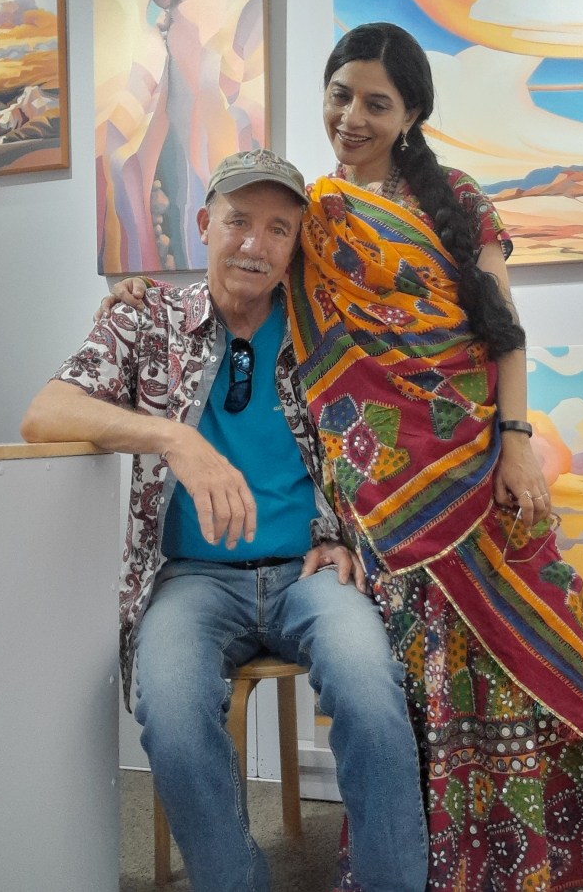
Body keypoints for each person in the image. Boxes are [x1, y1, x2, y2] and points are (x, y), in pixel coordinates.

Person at [105, 26, 583, 891]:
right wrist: (140, 293)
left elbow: (504, 331)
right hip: (381, 504)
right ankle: (452, 862)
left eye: (376, 102)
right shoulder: (316, 217)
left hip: (480, 477)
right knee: (422, 692)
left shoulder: (457, 200)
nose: (352, 116)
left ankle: (568, 854)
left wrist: (517, 441)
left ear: (412, 112)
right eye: (339, 94)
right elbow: (245, 276)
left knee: (541, 660)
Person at [21, 148, 429, 892]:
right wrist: (175, 439)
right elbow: (46, 412)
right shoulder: (147, 318)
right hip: (194, 578)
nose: (254, 244)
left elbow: (381, 440)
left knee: (373, 690)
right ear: (205, 223)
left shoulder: (323, 329)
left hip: (311, 571)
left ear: (294, 245)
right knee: (171, 707)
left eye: (278, 229)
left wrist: (346, 535)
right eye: (239, 221)